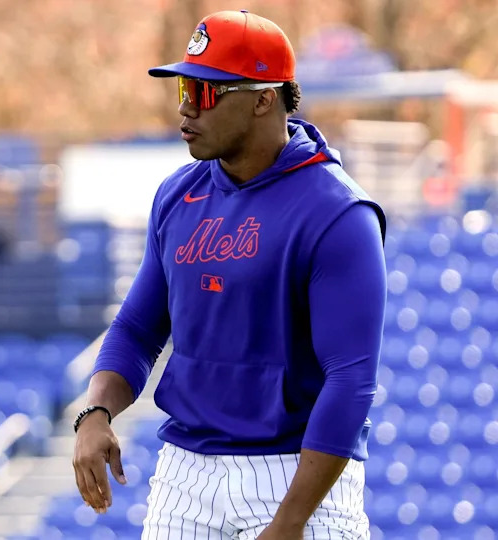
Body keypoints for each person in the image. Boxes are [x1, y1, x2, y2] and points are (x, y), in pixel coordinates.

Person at [72, 10, 386, 540]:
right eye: (184, 89)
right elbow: (137, 328)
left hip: (294, 474)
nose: (188, 106)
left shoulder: (338, 213)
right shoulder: (178, 194)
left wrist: (289, 522)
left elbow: (350, 382)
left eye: (208, 90)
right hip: (184, 474)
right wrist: (96, 411)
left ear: (266, 98)